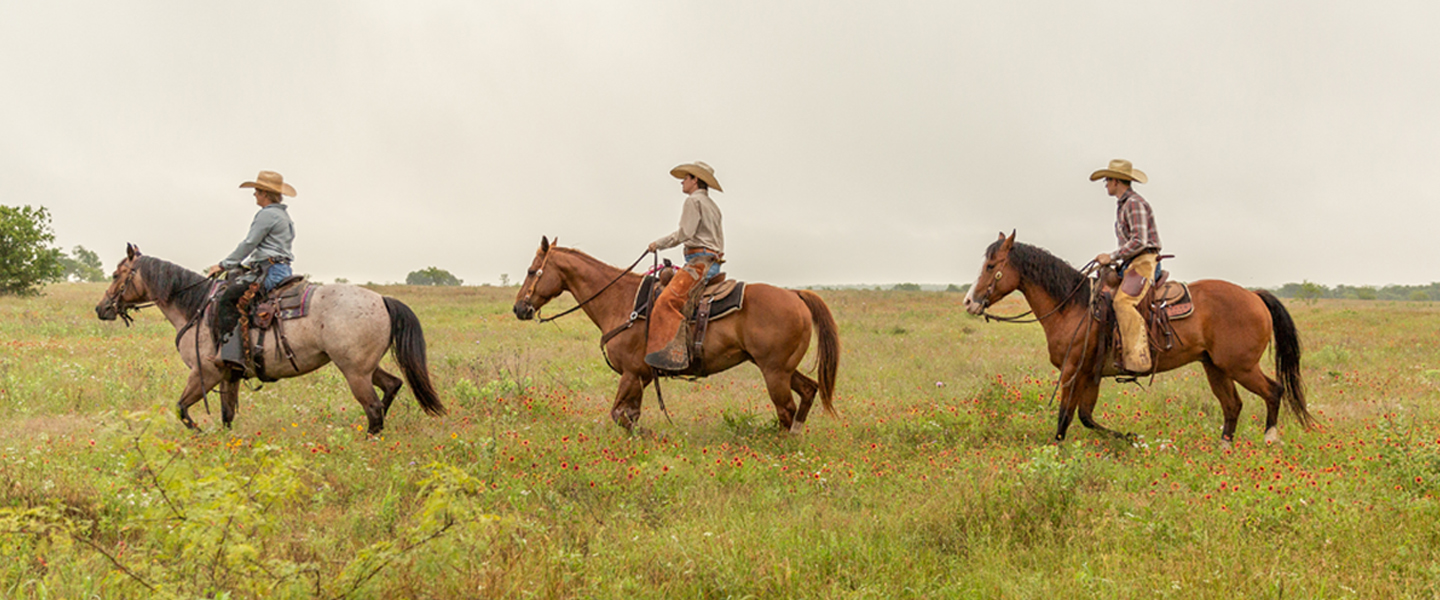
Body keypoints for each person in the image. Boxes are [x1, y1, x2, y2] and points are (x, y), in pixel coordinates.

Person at [205, 170, 297, 372]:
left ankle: (231, 355)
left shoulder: (267, 214)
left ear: (265, 193)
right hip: (281, 268)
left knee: (227, 298)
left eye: (256, 191)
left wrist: (223, 265)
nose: (254, 194)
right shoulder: (283, 215)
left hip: (269, 271)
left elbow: (249, 244)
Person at [644, 161, 725, 371]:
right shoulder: (713, 206)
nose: (682, 182)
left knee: (666, 301)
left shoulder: (693, 201)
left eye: (685, 178)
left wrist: (657, 244)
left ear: (694, 180)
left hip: (699, 263)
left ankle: (673, 357)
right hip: (711, 261)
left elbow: (685, 233)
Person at [1090, 159, 1161, 372]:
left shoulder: (1133, 203)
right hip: (1131, 263)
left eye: (1107, 180)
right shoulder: (1123, 204)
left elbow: (1140, 240)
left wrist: (1111, 256)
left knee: (1123, 302)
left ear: (1115, 181)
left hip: (1144, 261)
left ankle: (1138, 360)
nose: (1105, 185)